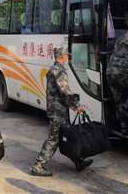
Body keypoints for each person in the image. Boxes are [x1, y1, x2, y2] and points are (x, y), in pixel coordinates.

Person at [31, 47, 92, 177]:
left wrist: (69, 102)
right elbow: (65, 91)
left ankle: (78, 162)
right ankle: (38, 166)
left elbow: (58, 91)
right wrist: (76, 105)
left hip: (57, 110)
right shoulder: (59, 71)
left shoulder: (52, 70)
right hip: (58, 112)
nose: (68, 58)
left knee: (69, 137)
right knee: (53, 139)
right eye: (66, 56)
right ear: (62, 56)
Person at [106, 12, 128, 136]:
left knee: (118, 100)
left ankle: (123, 127)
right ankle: (125, 108)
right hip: (122, 72)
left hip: (110, 72)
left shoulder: (121, 38)